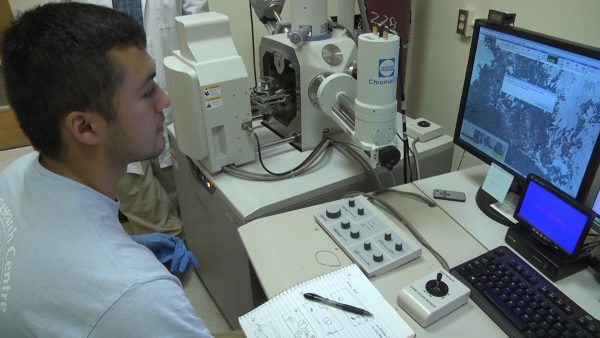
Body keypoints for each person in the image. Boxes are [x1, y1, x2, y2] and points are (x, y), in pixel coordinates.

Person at [0, 3, 213, 336]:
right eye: (147, 92)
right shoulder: (138, 297)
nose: (165, 100)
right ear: (85, 128)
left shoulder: (16, 175)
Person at [40, 0, 210, 236]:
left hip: (173, 111)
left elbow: (201, 34)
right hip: (110, 121)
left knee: (188, 200)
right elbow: (56, 53)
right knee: (148, 212)